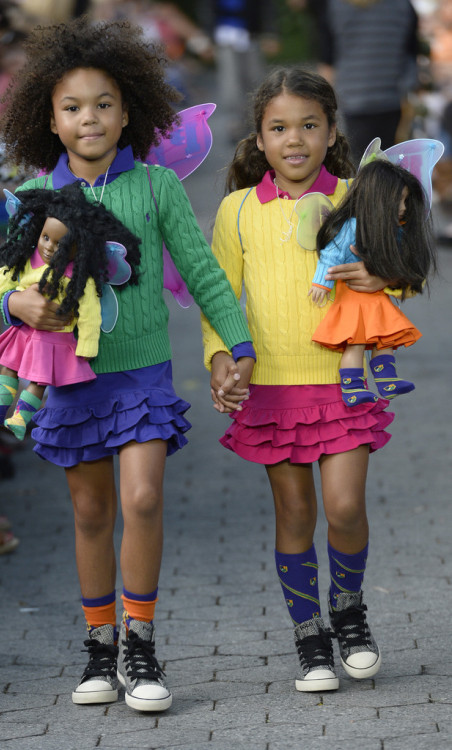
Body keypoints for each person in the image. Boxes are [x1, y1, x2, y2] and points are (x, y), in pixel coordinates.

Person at [0, 16, 254, 710]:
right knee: (89, 513)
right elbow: (6, 287)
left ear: (129, 111)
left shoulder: (158, 188)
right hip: (72, 379)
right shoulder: (35, 199)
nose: (90, 118)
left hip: (142, 373)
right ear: (48, 120)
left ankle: (141, 646)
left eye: (104, 104)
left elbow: (202, 274)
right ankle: (98, 647)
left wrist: (238, 345)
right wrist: (18, 307)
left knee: (141, 498)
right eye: (73, 107)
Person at [201, 67, 401, 693]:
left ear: (332, 131)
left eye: (309, 126)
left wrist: (380, 278)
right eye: (279, 128)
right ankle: (309, 636)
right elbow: (218, 298)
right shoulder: (235, 211)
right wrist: (219, 359)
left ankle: (349, 611)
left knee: (344, 507)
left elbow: (400, 272)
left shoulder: (356, 194)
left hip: (343, 384)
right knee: (294, 513)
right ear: (259, 139)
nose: (295, 139)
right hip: (272, 389)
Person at [0, 183, 141, 440]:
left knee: (38, 380)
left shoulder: (78, 277)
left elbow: (90, 314)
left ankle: (20, 418)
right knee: (9, 367)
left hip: (55, 336)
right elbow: (3, 277)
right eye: (46, 238)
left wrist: (86, 346)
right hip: (25, 331)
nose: (50, 247)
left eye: (61, 244)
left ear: (78, 248)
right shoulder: (28, 260)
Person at [308, 158, 436, 406]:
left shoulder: (392, 228)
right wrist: (321, 283)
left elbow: (405, 260)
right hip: (353, 298)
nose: (402, 207)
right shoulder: (352, 227)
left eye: (405, 200)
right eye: (397, 200)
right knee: (354, 344)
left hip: (377, 297)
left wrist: (391, 273)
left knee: (384, 338)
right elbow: (331, 255)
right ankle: (352, 387)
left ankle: (387, 380)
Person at [319, 0, 419, 163]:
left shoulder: (334, 6)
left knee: (359, 166)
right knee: (392, 165)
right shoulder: (403, 6)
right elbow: (411, 55)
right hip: (392, 100)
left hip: (351, 100)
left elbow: (327, 60)